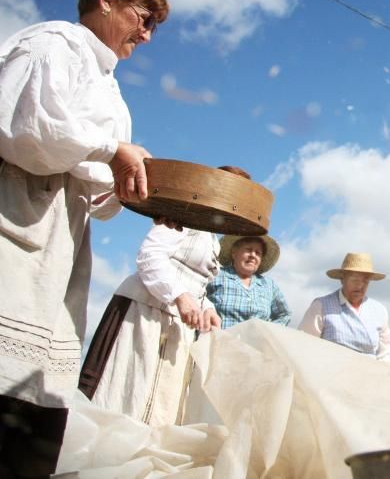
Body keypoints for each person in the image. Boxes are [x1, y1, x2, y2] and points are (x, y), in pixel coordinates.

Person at [0, 0, 168, 476]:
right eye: (143, 19)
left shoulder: (112, 89)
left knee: (40, 403)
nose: (146, 36)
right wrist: (110, 148)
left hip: (63, 243)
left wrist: (122, 189)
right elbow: (24, 130)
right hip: (17, 218)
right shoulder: (52, 44)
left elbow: (94, 184)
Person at [78, 166, 256, 426]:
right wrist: (179, 296)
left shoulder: (212, 238)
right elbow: (150, 256)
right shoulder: (180, 217)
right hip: (145, 312)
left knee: (162, 404)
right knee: (129, 392)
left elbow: (198, 282)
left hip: (177, 321)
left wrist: (207, 308)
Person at [299, 252, 390, 362]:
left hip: (371, 375)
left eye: (365, 281)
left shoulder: (379, 311)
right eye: (355, 280)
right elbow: (303, 346)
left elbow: (384, 356)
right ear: (342, 279)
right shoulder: (321, 306)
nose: (360, 286)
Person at [206, 234, 290, 329]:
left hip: (256, 343)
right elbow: (197, 299)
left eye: (258, 253)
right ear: (234, 253)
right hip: (219, 341)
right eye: (248, 250)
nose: (253, 255)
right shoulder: (216, 275)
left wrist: (269, 331)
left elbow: (285, 314)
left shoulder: (269, 285)